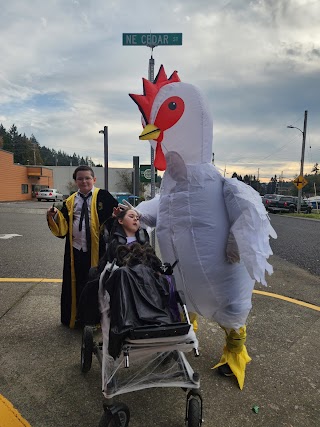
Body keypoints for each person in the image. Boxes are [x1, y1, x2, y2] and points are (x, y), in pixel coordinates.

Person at [47, 165, 118, 328]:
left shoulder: (104, 197)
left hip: (98, 251)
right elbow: (63, 225)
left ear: (94, 179)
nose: (84, 181)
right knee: (76, 284)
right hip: (76, 251)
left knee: (96, 284)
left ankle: (97, 320)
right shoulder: (70, 201)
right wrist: (54, 216)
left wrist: (114, 218)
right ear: (75, 181)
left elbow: (115, 220)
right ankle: (76, 318)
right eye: (80, 178)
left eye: (87, 178)